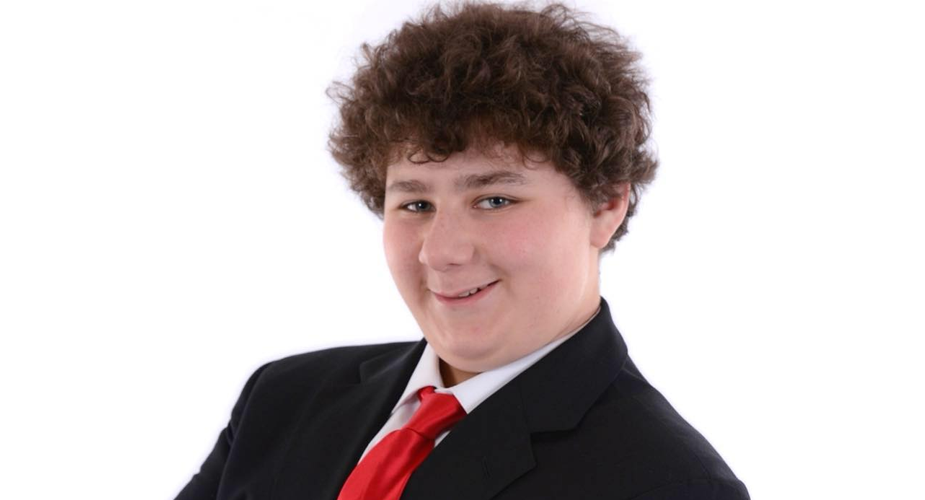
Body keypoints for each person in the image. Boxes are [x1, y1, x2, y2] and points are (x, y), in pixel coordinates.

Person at [175, 2, 749, 499]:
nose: (440, 252)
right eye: (415, 204)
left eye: (495, 200)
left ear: (605, 206)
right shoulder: (282, 400)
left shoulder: (670, 485)